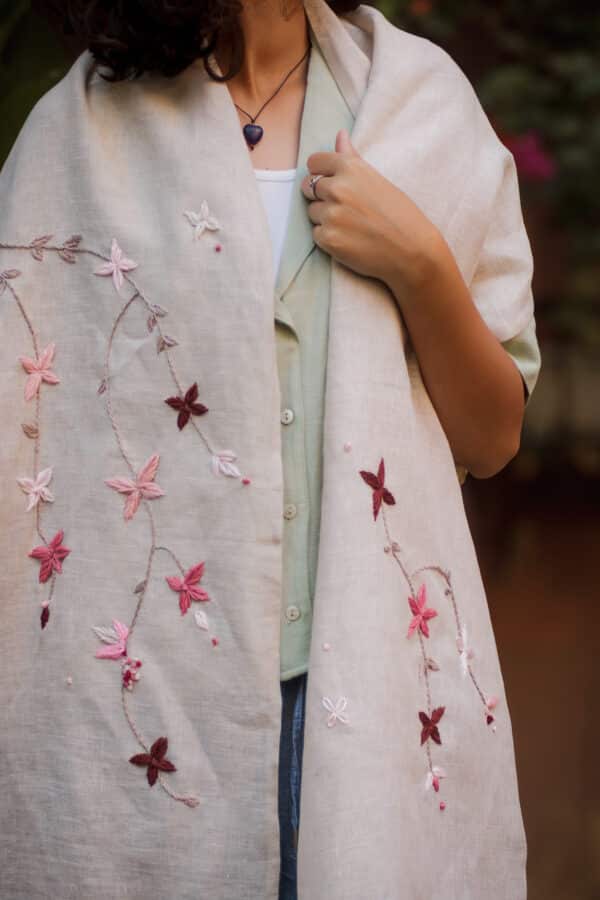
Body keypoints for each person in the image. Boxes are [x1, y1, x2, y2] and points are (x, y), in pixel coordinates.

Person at [0, 0, 541, 897]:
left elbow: (493, 437)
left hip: (363, 698)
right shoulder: (85, 127)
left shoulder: (420, 104)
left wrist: (421, 264)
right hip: (144, 712)